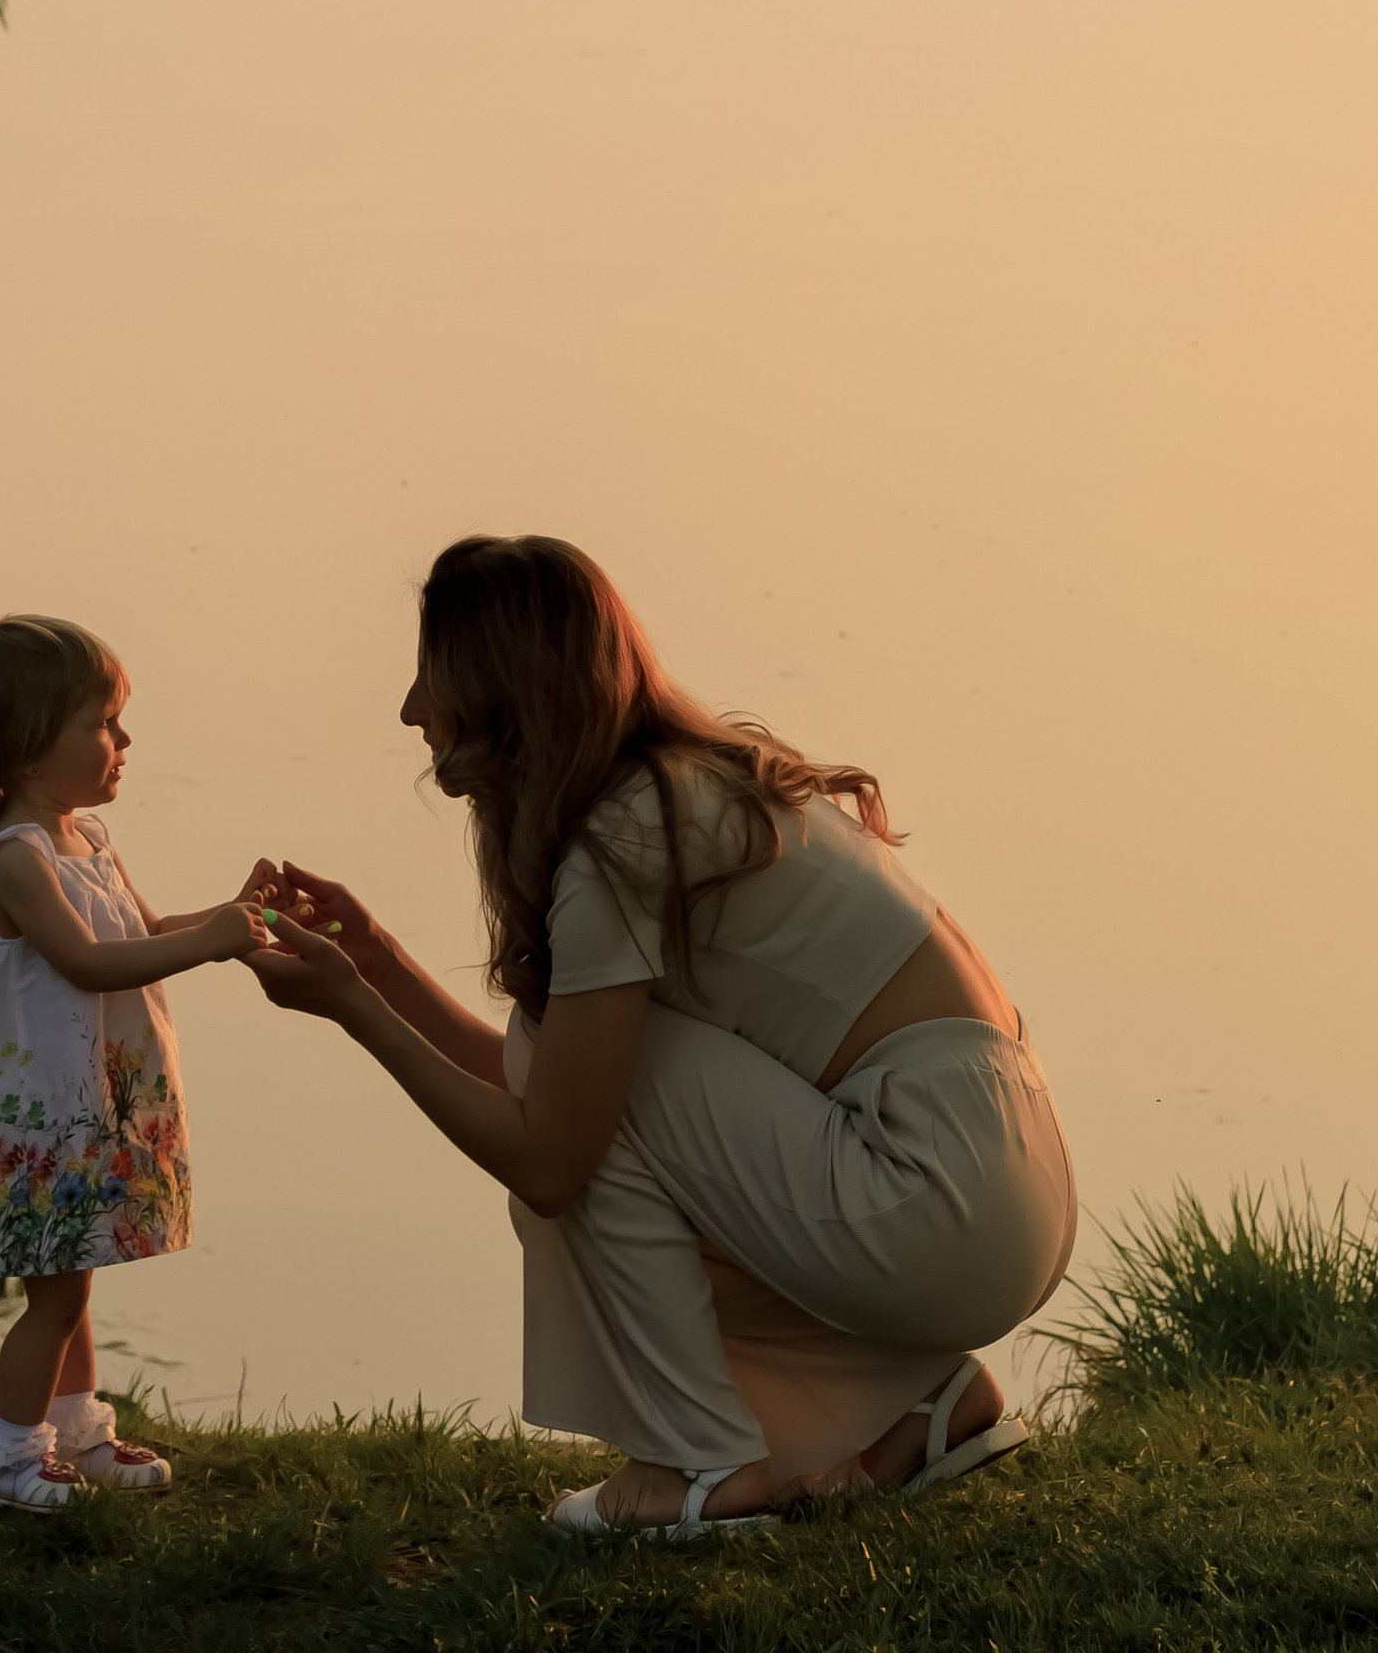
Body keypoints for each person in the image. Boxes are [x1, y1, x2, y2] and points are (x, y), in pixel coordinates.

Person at [245, 535, 1077, 1539]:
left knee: (581, 1114)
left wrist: (356, 1012)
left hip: (940, 1191)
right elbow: (546, 1082)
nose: (411, 709)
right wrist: (381, 968)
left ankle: (697, 1466)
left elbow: (555, 1157)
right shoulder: (671, 796)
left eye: (434, 675)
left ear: (504, 690)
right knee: (566, 1064)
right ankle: (915, 1405)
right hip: (989, 1179)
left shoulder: (620, 840)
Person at [0, 610, 265, 1513]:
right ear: (31, 750)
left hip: (88, 1105)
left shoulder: (88, 840)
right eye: (101, 723)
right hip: (36, 1120)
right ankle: (8, 1454)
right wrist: (215, 946)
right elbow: (85, 962)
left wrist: (231, 917)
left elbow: (141, 934)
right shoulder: (17, 859)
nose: (123, 740)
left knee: (74, 1278)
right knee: (54, 1298)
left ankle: (77, 1429)